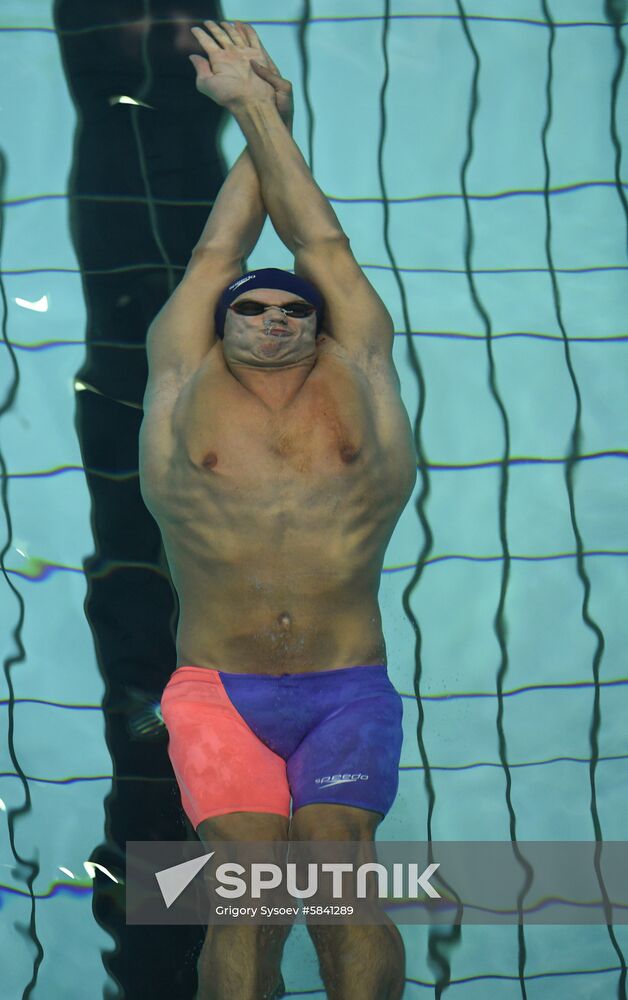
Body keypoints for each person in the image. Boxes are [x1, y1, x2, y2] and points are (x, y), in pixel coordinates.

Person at [138, 18, 416, 1000]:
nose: (270, 321)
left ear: (320, 318)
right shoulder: (182, 377)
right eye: (250, 310)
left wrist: (263, 112)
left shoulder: (363, 368)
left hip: (346, 684)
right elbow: (222, 247)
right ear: (221, 321)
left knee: (342, 887)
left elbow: (319, 240)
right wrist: (266, 116)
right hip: (221, 689)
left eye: (291, 309)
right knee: (244, 901)